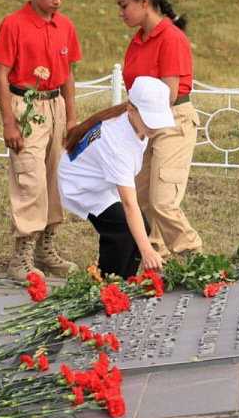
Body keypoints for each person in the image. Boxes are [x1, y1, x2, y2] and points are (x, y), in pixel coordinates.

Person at [0, 0, 82, 281]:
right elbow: (0, 75)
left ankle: (46, 249)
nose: (57, 1)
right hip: (25, 106)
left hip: (55, 104)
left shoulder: (66, 26)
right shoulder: (13, 24)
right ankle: (21, 258)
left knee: (55, 178)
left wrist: (72, 119)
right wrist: (8, 121)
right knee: (30, 179)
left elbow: (69, 75)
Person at [111, 0, 204, 259]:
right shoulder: (138, 40)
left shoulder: (171, 39)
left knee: (163, 201)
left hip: (171, 121)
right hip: (143, 123)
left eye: (124, 5)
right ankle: (156, 262)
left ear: (145, 2)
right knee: (142, 198)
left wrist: (138, 120)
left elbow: (169, 94)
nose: (121, 13)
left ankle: (194, 257)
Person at [59, 78, 170, 277]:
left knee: (140, 229)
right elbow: (129, 203)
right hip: (81, 184)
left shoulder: (136, 124)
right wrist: (146, 251)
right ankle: (105, 284)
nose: (155, 127)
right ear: (132, 110)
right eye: (149, 119)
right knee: (121, 230)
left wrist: (145, 247)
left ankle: (123, 283)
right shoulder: (117, 141)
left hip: (102, 179)